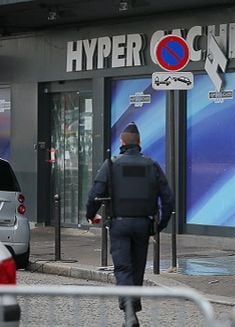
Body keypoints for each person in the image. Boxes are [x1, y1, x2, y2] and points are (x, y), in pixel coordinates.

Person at [85, 122, 174, 327]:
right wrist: (159, 225)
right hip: (144, 224)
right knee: (137, 268)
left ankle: (129, 313)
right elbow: (168, 199)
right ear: (139, 143)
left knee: (123, 268)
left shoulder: (111, 164)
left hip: (119, 224)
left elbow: (95, 194)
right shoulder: (151, 165)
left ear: (122, 142)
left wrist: (90, 215)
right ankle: (132, 309)